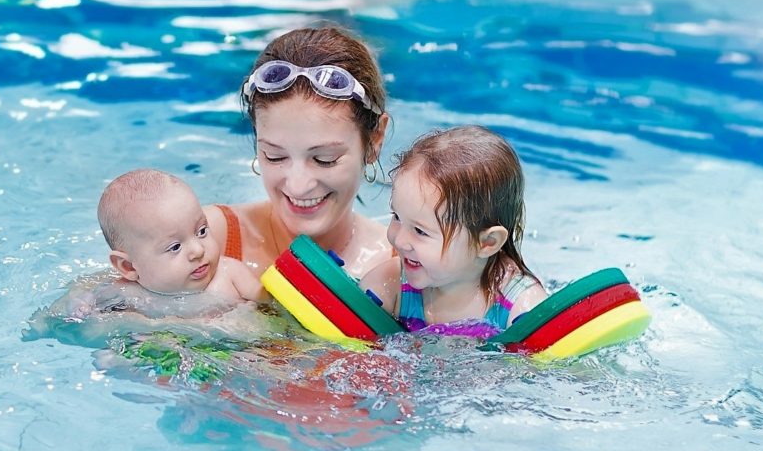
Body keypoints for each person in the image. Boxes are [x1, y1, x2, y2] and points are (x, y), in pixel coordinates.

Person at [204, 25, 393, 279]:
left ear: (375, 140)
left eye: (324, 159)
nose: (298, 186)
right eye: (275, 156)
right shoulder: (205, 244)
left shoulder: (403, 272)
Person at [358, 125, 548, 337]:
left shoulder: (520, 308)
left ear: (487, 242)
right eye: (397, 217)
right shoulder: (389, 286)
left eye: (420, 231)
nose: (399, 241)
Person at [69, 169, 267, 319]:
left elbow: (273, 305)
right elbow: (78, 303)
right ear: (128, 266)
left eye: (202, 231)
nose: (198, 250)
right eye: (175, 247)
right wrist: (81, 304)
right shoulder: (128, 292)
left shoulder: (230, 273)